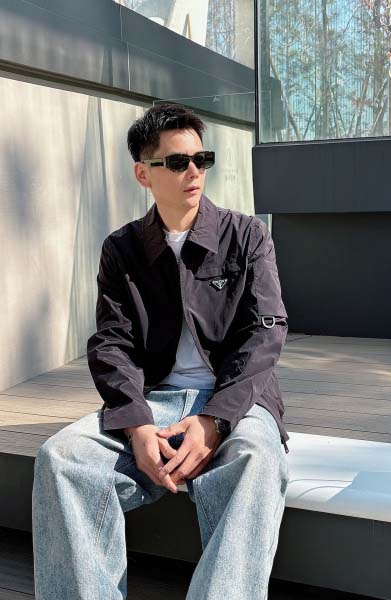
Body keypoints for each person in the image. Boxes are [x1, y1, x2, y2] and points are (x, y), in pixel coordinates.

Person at [32, 102, 290, 600]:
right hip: (152, 402)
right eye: (177, 161)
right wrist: (136, 423)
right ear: (143, 174)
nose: (194, 171)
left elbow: (266, 330)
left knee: (257, 459)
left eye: (201, 158)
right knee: (61, 458)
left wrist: (216, 419)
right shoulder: (122, 249)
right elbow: (112, 342)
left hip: (235, 401)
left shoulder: (246, 236)